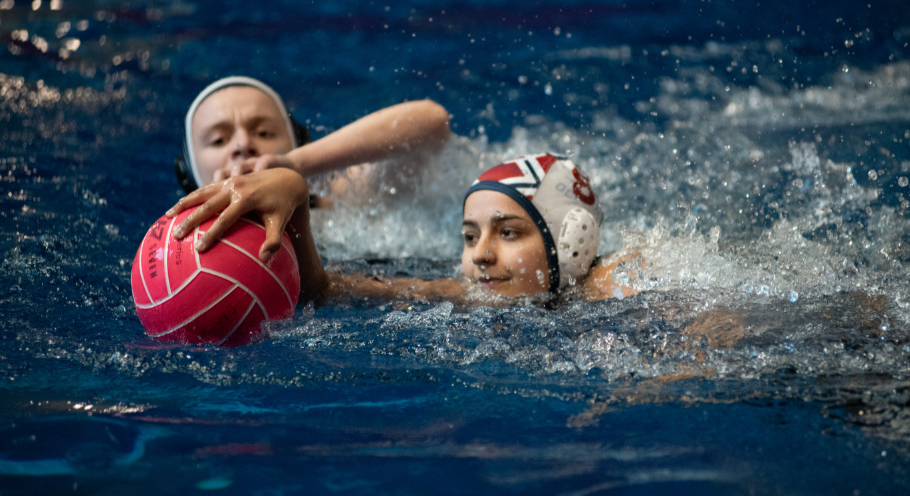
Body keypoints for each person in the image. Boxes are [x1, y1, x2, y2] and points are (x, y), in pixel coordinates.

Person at [166, 153, 639, 303]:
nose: (481, 255)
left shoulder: (619, 281)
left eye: (509, 232)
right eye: (470, 237)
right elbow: (324, 289)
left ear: (572, 246)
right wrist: (295, 195)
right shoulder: (464, 293)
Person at [176, 76, 452, 207]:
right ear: (189, 174)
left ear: (298, 145)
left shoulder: (340, 202)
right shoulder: (175, 248)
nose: (242, 145)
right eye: (218, 140)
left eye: (264, 133)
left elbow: (433, 120)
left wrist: (295, 165)